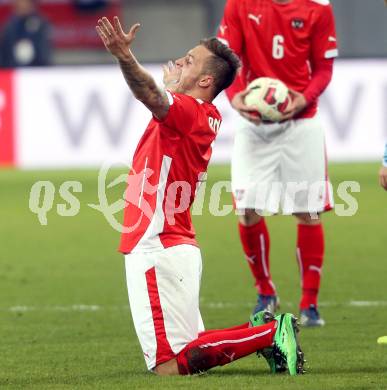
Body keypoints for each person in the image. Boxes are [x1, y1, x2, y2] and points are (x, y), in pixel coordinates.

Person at [96, 16, 305, 376]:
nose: (180, 61)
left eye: (189, 60)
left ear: (206, 80)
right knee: (191, 351)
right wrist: (171, 87)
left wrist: (124, 57)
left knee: (169, 366)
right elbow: (160, 100)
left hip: (157, 244)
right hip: (171, 244)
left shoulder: (189, 112)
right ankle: (262, 329)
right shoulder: (197, 114)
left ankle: (270, 333)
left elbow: (149, 95)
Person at [217, 0, 338, 327]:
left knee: (308, 212)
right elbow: (229, 59)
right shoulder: (239, 4)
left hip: (302, 123)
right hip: (254, 126)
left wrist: (304, 97)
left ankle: (309, 304)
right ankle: (265, 291)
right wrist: (236, 97)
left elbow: (324, 69)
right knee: (246, 209)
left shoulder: (318, 7)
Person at [0, 0, 51, 68]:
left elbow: (43, 55)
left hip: (35, 71)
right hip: (12, 71)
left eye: (24, 1)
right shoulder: (10, 26)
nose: (20, 4)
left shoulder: (40, 24)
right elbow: (5, 54)